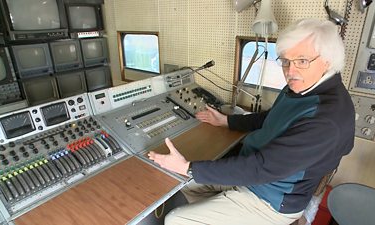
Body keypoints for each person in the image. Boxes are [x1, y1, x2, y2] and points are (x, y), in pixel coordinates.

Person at [148, 18, 355, 225]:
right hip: (255, 177)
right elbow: (272, 117)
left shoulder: (327, 119)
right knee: (180, 182)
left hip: (270, 200)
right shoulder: (304, 87)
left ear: (327, 61)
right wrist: (227, 121)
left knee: (176, 219)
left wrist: (188, 167)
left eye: (302, 61)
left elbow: (262, 168)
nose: (290, 72)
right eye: (285, 61)